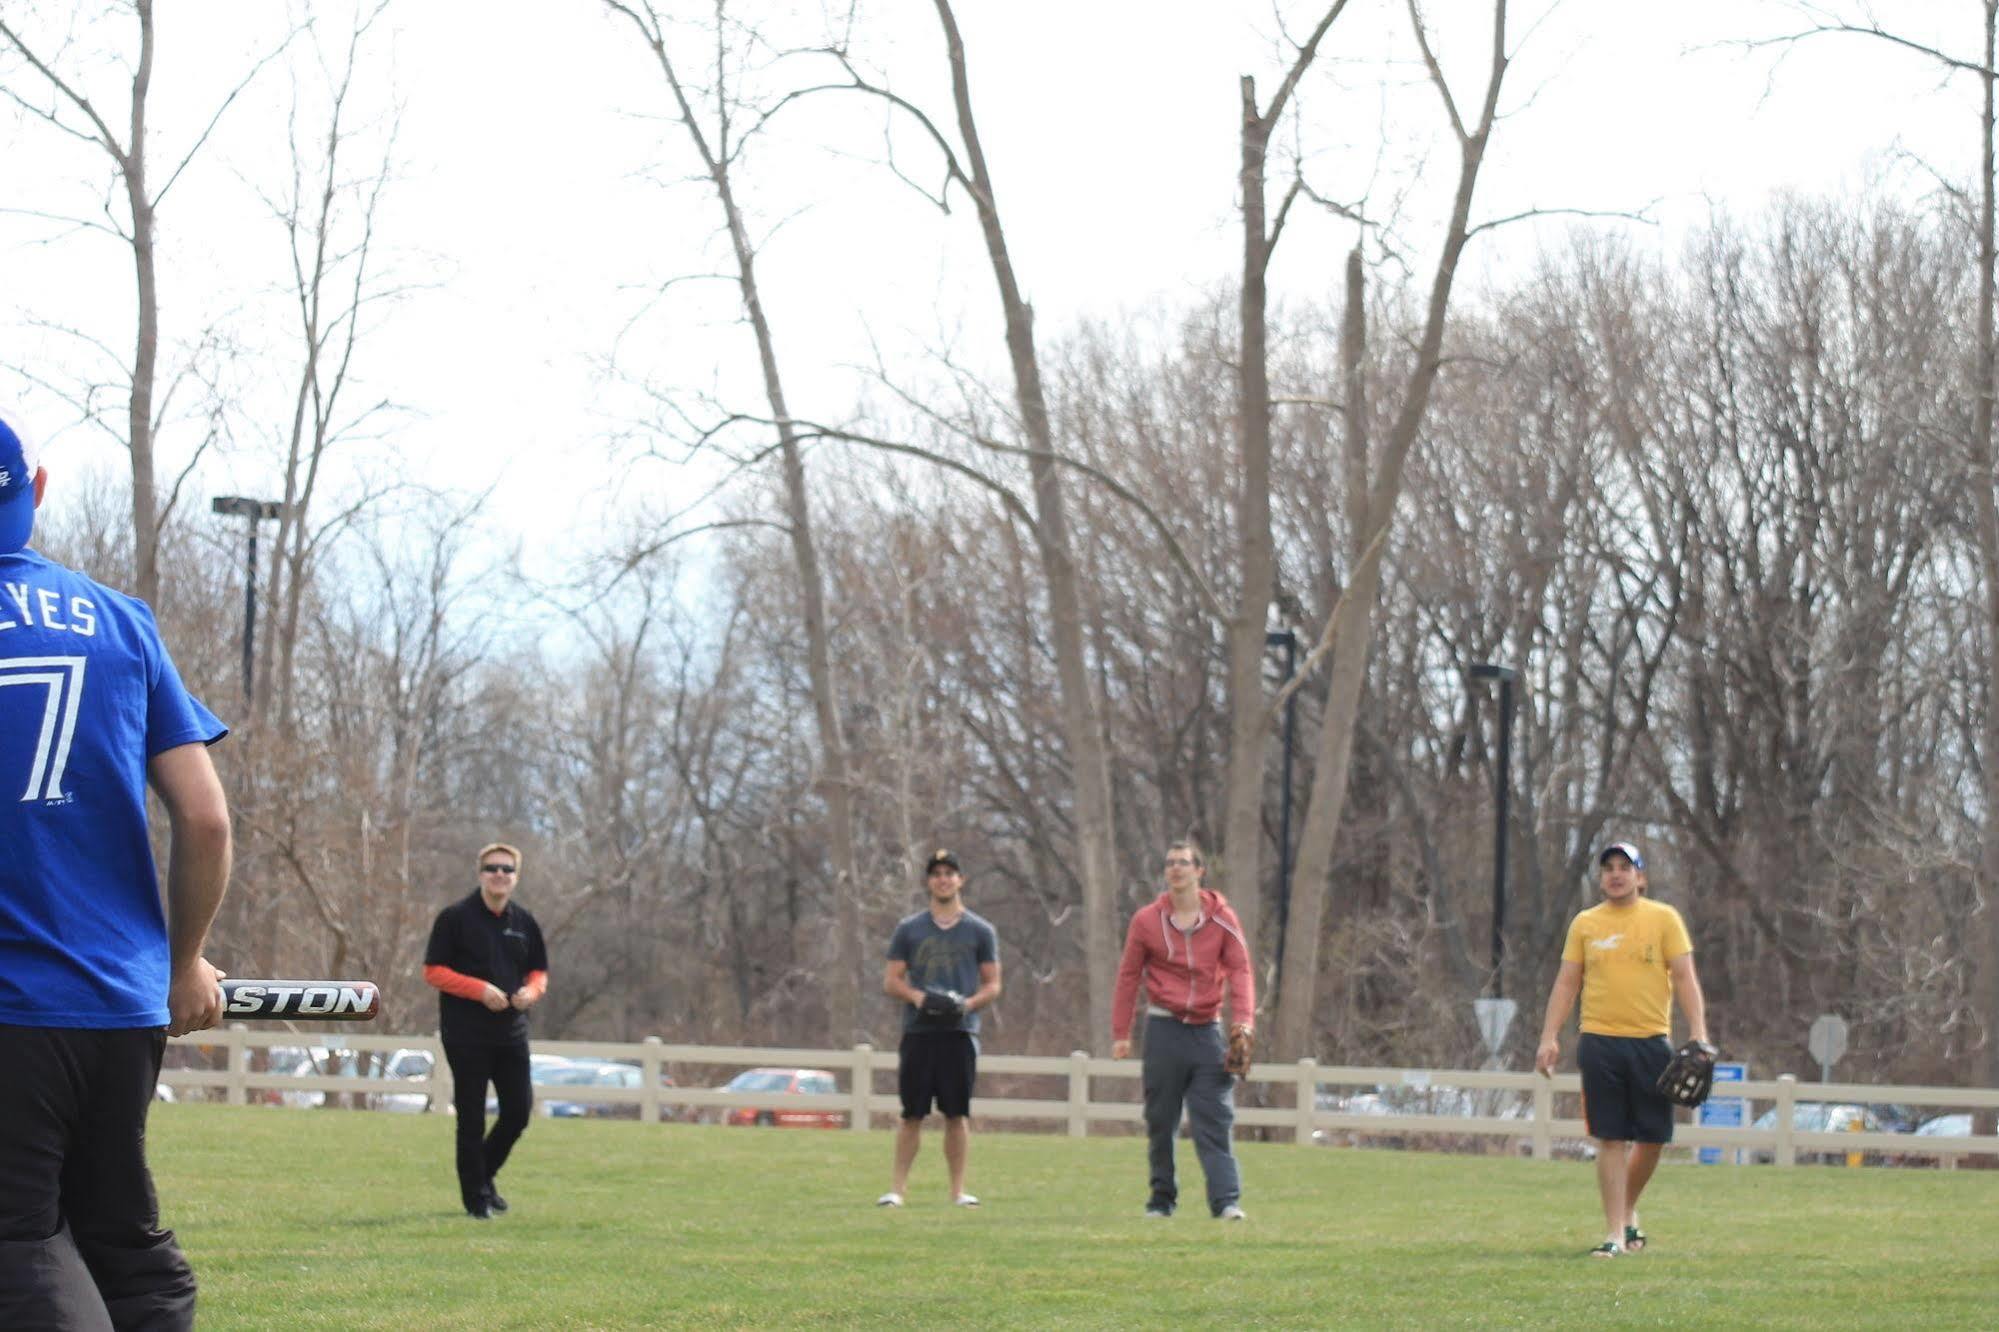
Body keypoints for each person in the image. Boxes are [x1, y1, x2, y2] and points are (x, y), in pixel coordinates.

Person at [0, 405, 232, 1330]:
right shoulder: (121, 622)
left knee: (17, 1245)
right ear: (38, 492)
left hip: (11, 1012)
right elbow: (207, 819)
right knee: (121, 1244)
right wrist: (183, 963)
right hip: (118, 1010)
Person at [1534, 841, 1712, 1258]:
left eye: (1625, 867)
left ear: (1641, 877)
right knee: (1610, 1137)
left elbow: (1685, 977)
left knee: (1653, 1138)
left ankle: (1627, 1211)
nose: (1616, 874)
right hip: (1599, 1040)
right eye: (1609, 867)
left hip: (1651, 1041)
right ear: (1601, 878)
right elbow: (1566, 982)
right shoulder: (1585, 924)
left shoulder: (1663, 919)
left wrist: (1699, 1032)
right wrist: (1549, 1036)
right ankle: (1616, 1232)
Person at [1110, 838, 1254, 1221]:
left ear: (1199, 871)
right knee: (1161, 1120)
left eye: (1184, 862)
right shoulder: (1146, 921)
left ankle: (1226, 1202)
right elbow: (1128, 976)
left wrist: (1244, 1022)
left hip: (1208, 1032)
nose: (1176, 868)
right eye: (1170, 862)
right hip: (1163, 1028)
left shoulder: (1223, 917)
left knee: (1214, 1119)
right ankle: (1161, 1200)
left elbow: (1240, 970)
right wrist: (1120, 1031)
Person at [424, 843, 549, 1220]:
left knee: (518, 1113)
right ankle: (474, 1199)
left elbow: (538, 971)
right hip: (466, 1033)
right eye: (492, 868)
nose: (499, 875)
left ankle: (484, 1176)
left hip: (511, 1032)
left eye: (507, 870)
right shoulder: (455, 918)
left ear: (516, 876)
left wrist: (532, 991)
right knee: (472, 1117)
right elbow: (434, 972)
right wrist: (478, 989)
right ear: (480, 873)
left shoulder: (524, 922)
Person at [878, 849, 1001, 1208]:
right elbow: (891, 980)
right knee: (911, 1113)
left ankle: (958, 1191)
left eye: (950, 873)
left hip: (960, 1033)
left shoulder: (980, 930)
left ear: (961, 880)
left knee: (956, 1113)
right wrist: (917, 998)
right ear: (928, 882)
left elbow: (993, 984)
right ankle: (897, 1191)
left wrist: (967, 1005)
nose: (943, 879)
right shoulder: (910, 929)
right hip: (919, 1032)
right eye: (936, 874)